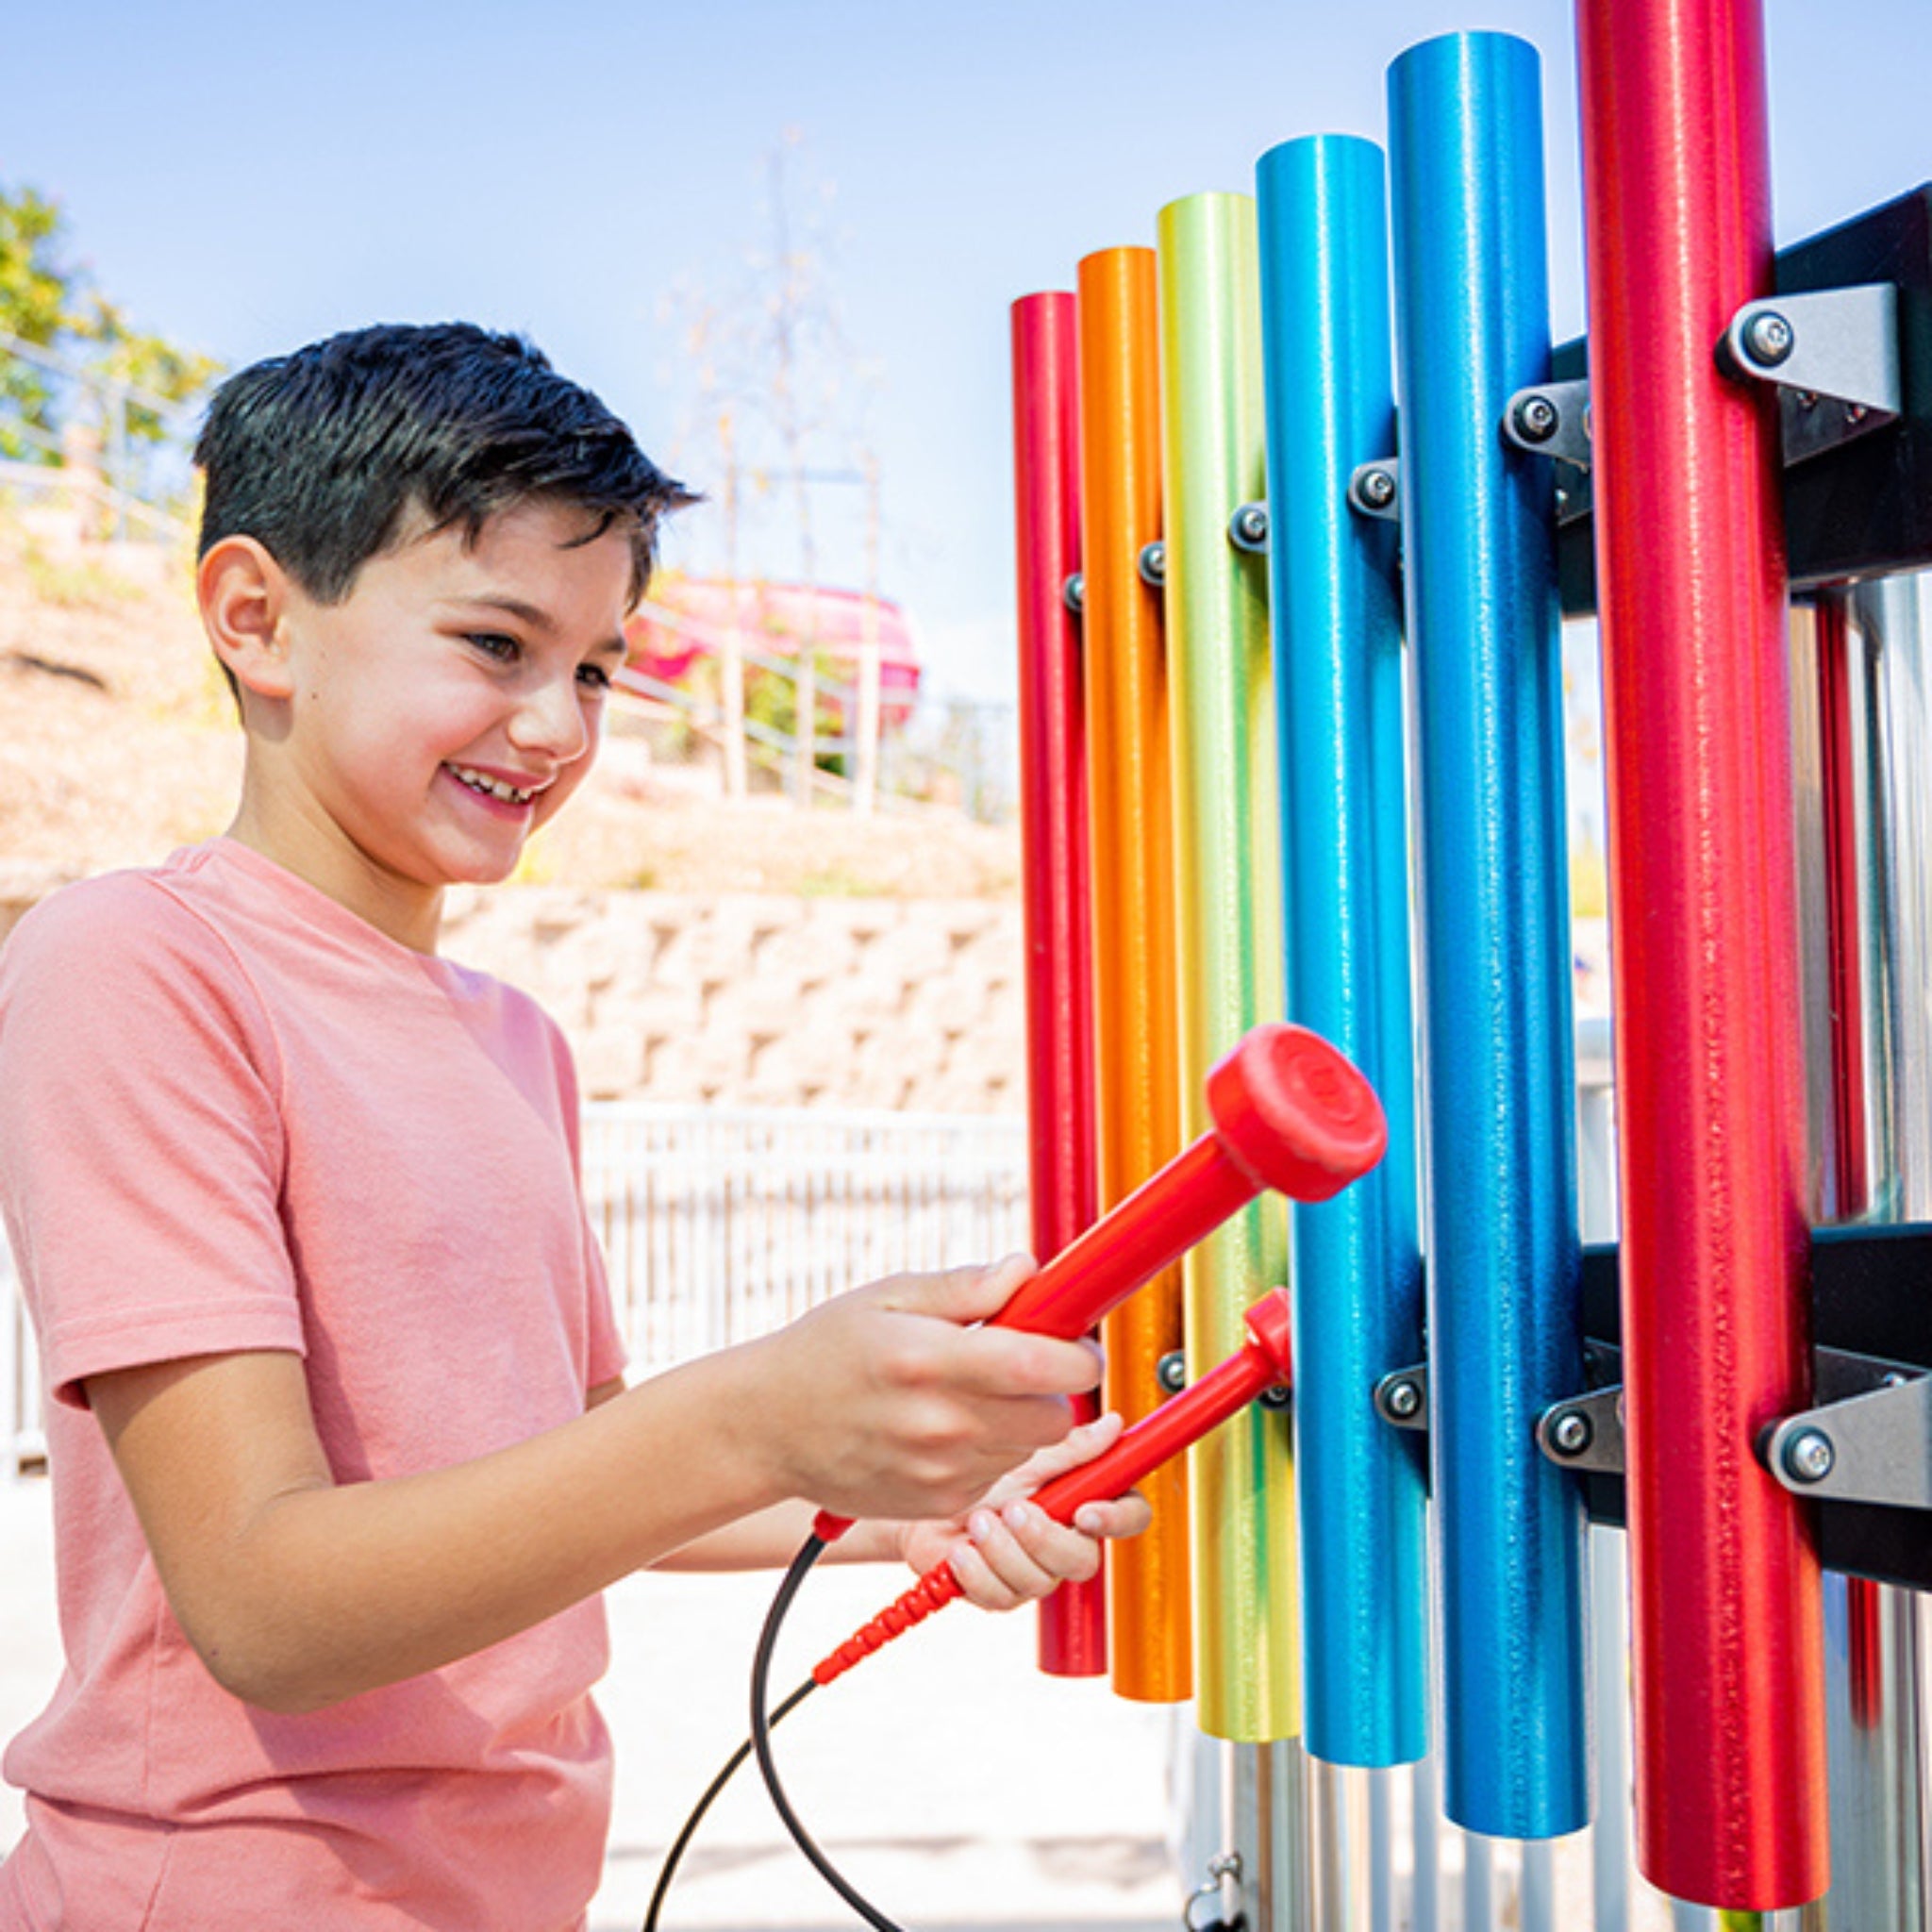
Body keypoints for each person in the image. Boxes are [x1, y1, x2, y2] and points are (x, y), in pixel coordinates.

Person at [0, 322, 1147, 1931]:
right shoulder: (135, 962)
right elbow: (261, 1601)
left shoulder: (514, 1041)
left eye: (598, 668)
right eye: (495, 642)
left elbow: (564, 1454)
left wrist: (884, 1506)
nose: (559, 727)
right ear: (257, 618)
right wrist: (760, 1413)